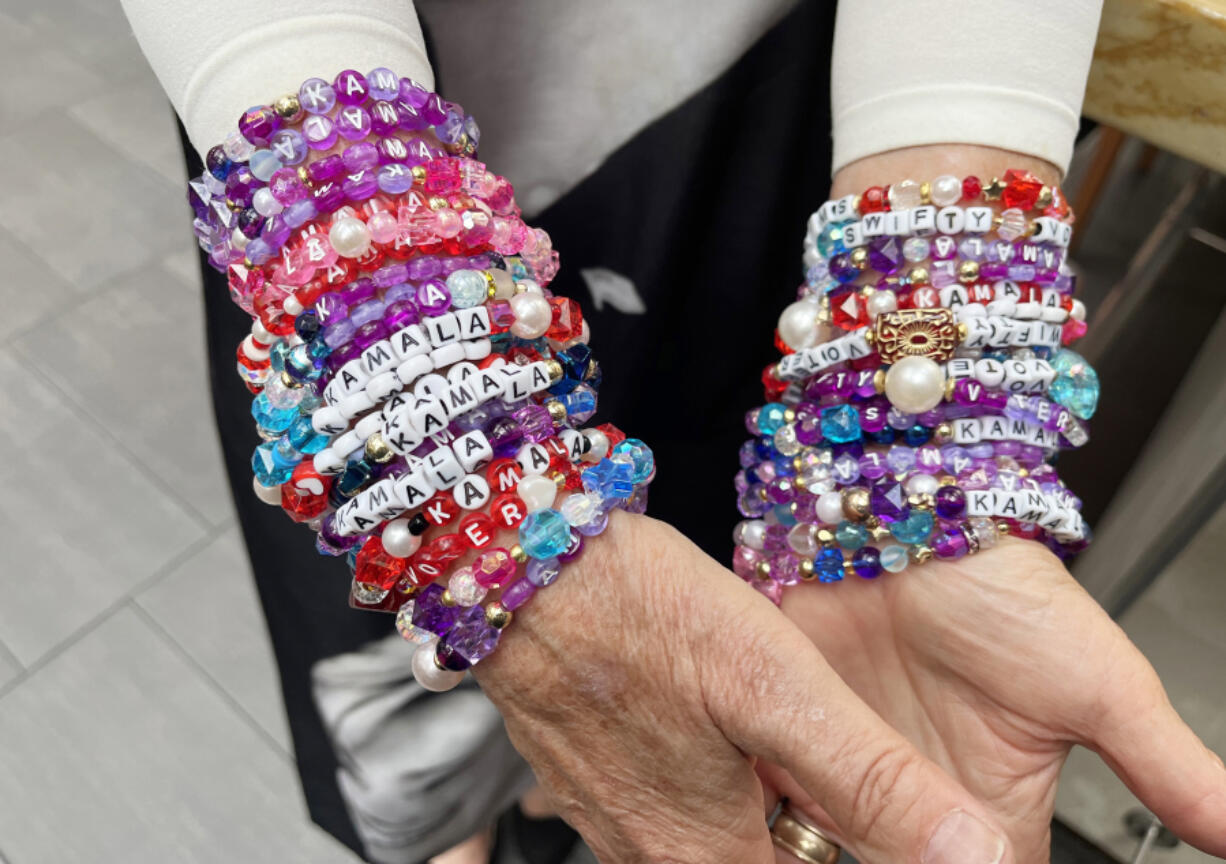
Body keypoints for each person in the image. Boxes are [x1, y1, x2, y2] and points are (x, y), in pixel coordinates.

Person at [119, 1, 1226, 862]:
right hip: (333, 148)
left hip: (782, 122)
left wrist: (907, 446)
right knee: (400, 630)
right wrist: (464, 447)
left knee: (705, 599)